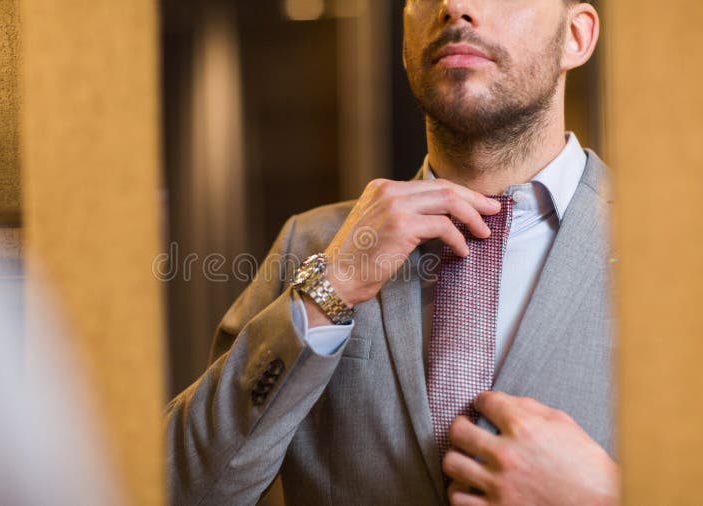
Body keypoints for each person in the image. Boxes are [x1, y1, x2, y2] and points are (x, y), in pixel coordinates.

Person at [166, 0, 619, 504]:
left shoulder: (674, 255)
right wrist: (327, 293)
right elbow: (177, 487)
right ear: (406, 45)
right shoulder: (311, 246)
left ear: (576, 36)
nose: (454, 7)